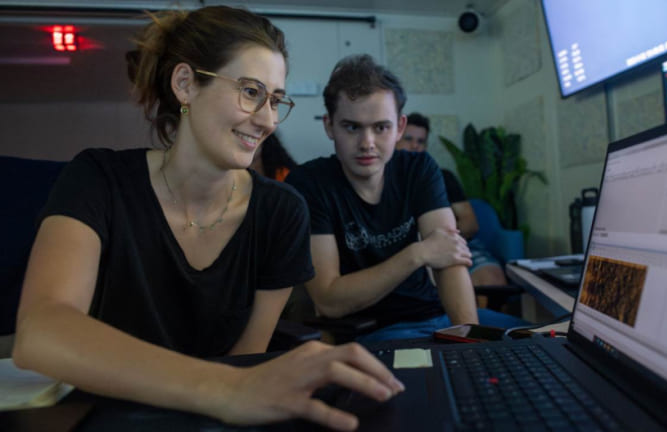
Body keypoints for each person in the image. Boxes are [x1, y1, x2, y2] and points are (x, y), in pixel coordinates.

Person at [12, 7, 402, 431]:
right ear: (185, 84)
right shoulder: (98, 179)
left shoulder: (282, 211)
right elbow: (42, 332)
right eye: (251, 92)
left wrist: (233, 392)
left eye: (275, 100)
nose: (269, 120)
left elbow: (245, 359)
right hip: (104, 412)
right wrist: (224, 389)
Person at [285, 54, 525, 342]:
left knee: (545, 344)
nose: (367, 143)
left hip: (440, 317)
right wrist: (417, 254)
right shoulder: (310, 184)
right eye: (352, 127)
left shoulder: (418, 169)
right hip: (376, 331)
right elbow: (329, 300)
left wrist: (469, 340)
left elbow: (449, 257)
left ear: (399, 127)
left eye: (381, 127)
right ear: (329, 126)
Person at [396, 113, 508, 289]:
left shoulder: (443, 177)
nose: (415, 146)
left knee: (491, 278)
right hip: (405, 251)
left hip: (455, 242)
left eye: (421, 141)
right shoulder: (384, 182)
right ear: (395, 138)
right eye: (408, 139)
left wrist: (440, 243)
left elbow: (470, 223)